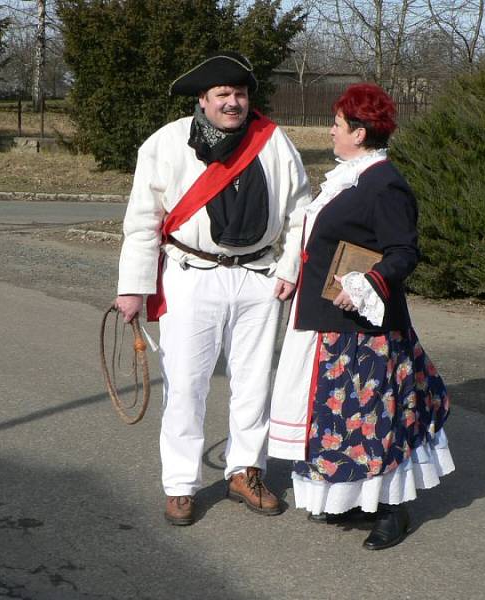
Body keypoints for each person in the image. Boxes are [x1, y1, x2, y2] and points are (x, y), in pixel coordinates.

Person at [114, 51, 311, 526]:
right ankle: (181, 484)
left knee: (254, 383)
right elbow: (143, 222)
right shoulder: (165, 143)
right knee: (185, 383)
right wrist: (133, 287)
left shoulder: (273, 142)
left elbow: (302, 210)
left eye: (240, 94)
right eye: (223, 94)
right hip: (191, 275)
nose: (233, 103)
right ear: (202, 100)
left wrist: (288, 268)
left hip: (259, 278)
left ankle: (246, 470)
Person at [267, 83, 454, 549]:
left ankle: (394, 511)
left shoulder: (383, 183)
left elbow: (403, 252)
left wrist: (369, 283)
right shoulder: (352, 175)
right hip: (330, 322)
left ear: (359, 131)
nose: (331, 130)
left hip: (363, 331)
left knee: (373, 420)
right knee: (339, 421)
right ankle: (351, 498)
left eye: (337, 124)